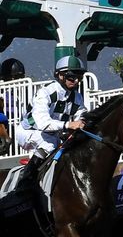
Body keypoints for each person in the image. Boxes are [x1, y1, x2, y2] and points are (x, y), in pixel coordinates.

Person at [13, 56, 87, 191]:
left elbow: (81, 114)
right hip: (29, 131)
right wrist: (68, 125)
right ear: (60, 75)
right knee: (49, 143)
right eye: (71, 77)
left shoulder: (77, 97)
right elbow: (43, 123)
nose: (76, 81)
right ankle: (25, 182)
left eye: (79, 77)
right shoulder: (45, 92)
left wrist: (82, 122)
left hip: (53, 133)